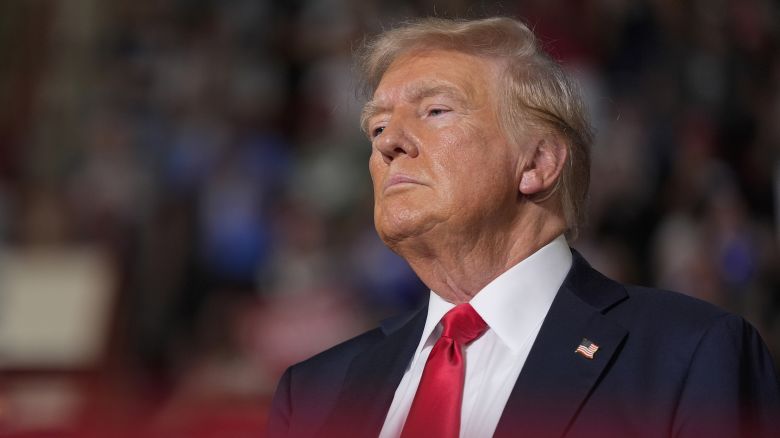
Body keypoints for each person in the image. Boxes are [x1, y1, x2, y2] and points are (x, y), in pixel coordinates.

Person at [266, 17, 779, 438]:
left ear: (536, 163)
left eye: (436, 110)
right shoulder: (313, 394)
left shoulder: (689, 355)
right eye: (377, 126)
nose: (388, 142)